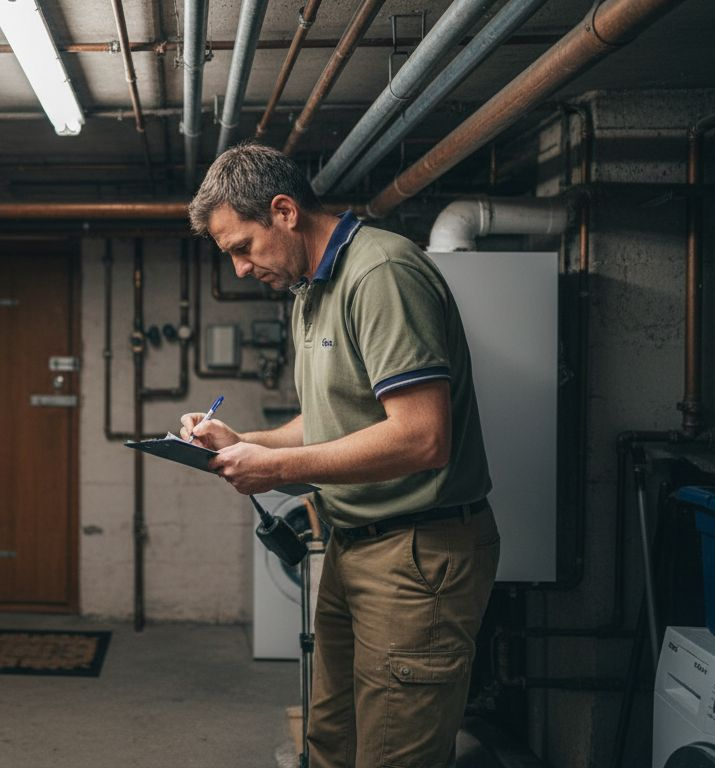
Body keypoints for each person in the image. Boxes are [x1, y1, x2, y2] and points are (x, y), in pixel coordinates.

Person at [181, 143, 499, 768]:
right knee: (331, 742)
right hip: (354, 543)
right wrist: (247, 441)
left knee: (392, 755)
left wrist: (272, 470)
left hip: (416, 555)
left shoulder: (380, 274)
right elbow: (329, 421)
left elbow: (421, 436)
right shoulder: (310, 290)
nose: (240, 270)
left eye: (242, 247)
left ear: (283, 211)